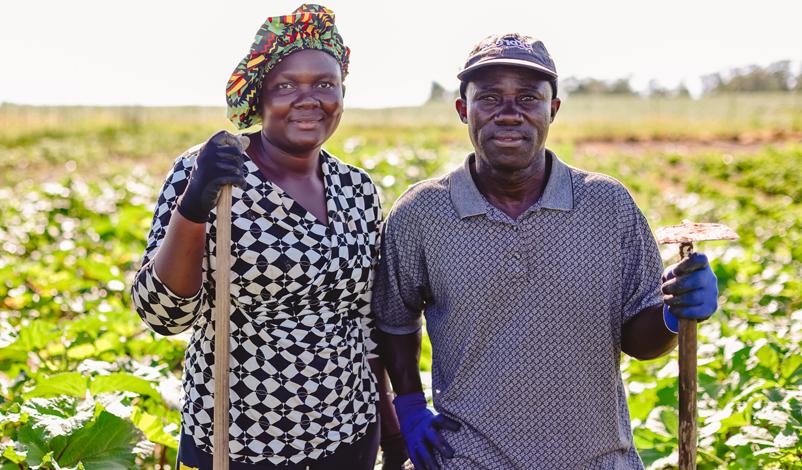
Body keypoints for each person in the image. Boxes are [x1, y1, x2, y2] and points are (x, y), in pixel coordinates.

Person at [372, 33, 720, 469]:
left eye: (529, 98)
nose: (510, 114)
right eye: (490, 98)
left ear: (552, 110)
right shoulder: (421, 213)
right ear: (464, 110)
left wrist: (674, 312)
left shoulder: (608, 205)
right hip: (469, 459)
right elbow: (393, 319)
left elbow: (640, 340)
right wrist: (408, 405)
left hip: (598, 459)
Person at [131, 5, 406, 469]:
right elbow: (163, 314)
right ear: (258, 98)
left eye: (324, 84)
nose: (308, 98)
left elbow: (365, 320)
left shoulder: (357, 188)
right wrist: (194, 205)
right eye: (286, 86)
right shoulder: (213, 172)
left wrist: (392, 425)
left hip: (350, 432)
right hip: (242, 443)